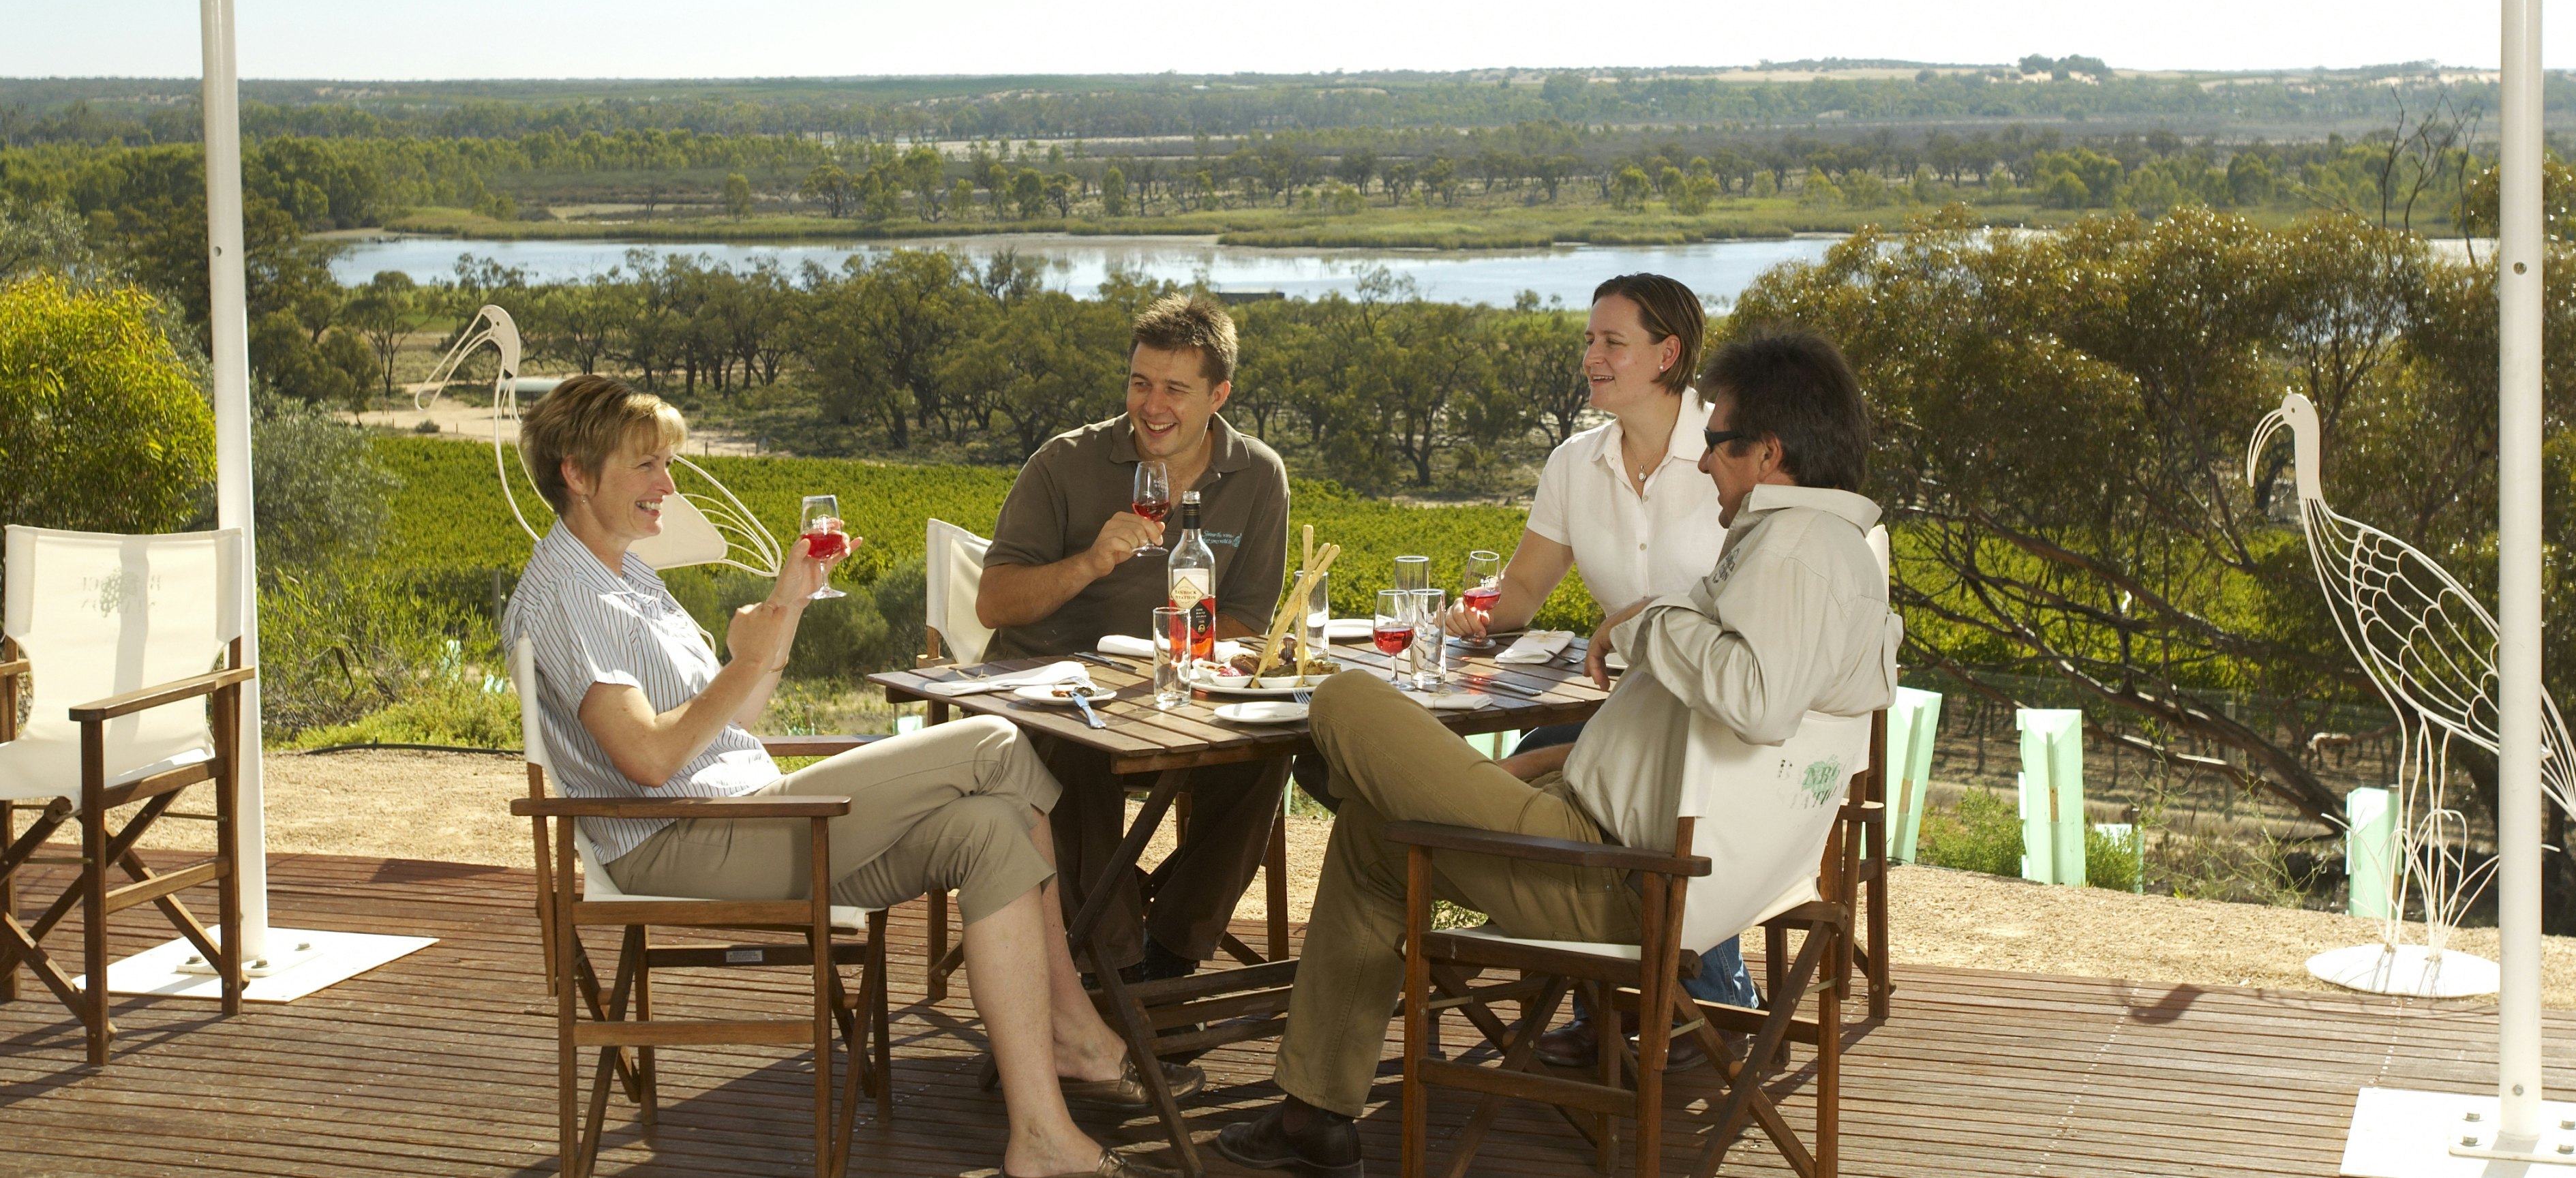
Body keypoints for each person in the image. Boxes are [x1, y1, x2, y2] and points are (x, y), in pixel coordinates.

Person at [1217, 328, 1899, 1178]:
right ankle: (1313, 1117)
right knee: (1369, 836)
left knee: (1342, 696)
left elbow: (1752, 702)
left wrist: (1650, 618)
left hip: (1614, 881)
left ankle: (1361, 788)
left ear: (1768, 454)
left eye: (1717, 442)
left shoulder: (1797, 549)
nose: (1702, 463)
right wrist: (1551, 761)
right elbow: (1694, 742)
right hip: (1624, 855)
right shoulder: (1828, 551)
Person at [504, 374, 1182, 1178]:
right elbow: (649, 758)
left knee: (991, 831)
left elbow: (736, 720)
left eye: (667, 463)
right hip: (682, 837)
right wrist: (748, 658)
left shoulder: (625, 575)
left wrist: (785, 605)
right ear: (577, 472)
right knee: (993, 742)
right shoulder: (566, 593)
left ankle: (1040, 1134)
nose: (668, 484)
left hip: (742, 817)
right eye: (647, 465)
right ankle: (1074, 1024)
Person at [1448, 272, 1752, 1063]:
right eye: (1589, 340)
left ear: (1668, 353)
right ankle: (1592, 983)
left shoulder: (1730, 452)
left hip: (1713, 704)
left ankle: (1702, 994)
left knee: (1614, 778)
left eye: (1612, 341)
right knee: (1513, 779)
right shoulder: (1573, 465)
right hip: (1621, 700)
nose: (1592, 356)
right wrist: (1474, 613)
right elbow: (1519, 591)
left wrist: (1643, 625)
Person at [975, 293, 1291, 982]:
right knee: (1080, 754)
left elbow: (1247, 620)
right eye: (1140, 382)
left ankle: (1171, 951)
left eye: (1176, 389)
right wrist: (1089, 561)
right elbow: (994, 601)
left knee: (1263, 754)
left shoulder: (1259, 475)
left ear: (1219, 395)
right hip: (1049, 695)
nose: (1152, 405)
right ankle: (1109, 970)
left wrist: (1170, 655)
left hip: (1168, 698)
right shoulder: (1063, 463)